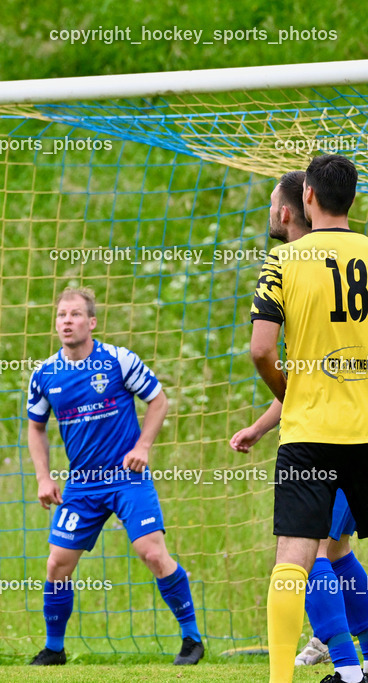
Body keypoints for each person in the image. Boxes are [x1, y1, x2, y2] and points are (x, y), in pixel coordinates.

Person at [230, 171, 368, 680]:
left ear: (306, 196)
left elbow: (262, 350)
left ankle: (282, 679)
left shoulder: (283, 260)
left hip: (310, 433)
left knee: (294, 559)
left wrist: (291, 394)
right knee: (340, 551)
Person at [27, 287, 203, 666]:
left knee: (152, 553)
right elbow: (35, 427)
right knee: (57, 564)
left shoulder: (118, 361)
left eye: (75, 315)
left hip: (127, 478)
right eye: (61, 315)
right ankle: (54, 650)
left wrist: (142, 447)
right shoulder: (45, 374)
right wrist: (44, 477)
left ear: (91, 322)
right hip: (82, 485)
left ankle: (192, 639)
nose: (67, 321)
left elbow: (158, 400)